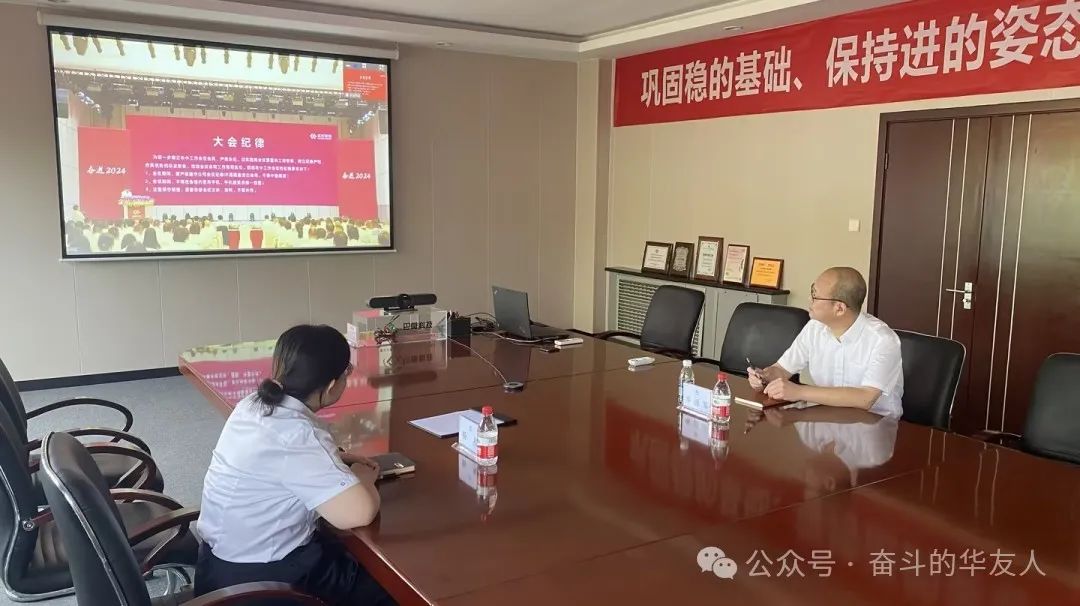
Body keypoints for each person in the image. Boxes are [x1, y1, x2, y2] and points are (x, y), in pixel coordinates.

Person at [194, 325, 393, 606]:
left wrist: (333, 459)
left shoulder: (253, 405)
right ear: (332, 385)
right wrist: (364, 477)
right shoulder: (297, 434)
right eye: (346, 372)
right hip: (263, 585)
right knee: (388, 587)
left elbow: (283, 459)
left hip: (216, 570)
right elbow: (358, 514)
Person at [747, 267, 904, 418]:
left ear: (839, 308)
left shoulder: (882, 340)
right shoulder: (815, 328)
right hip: (826, 417)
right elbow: (782, 369)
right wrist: (765, 376)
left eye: (815, 296)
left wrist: (799, 392)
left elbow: (865, 398)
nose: (809, 299)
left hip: (875, 425)